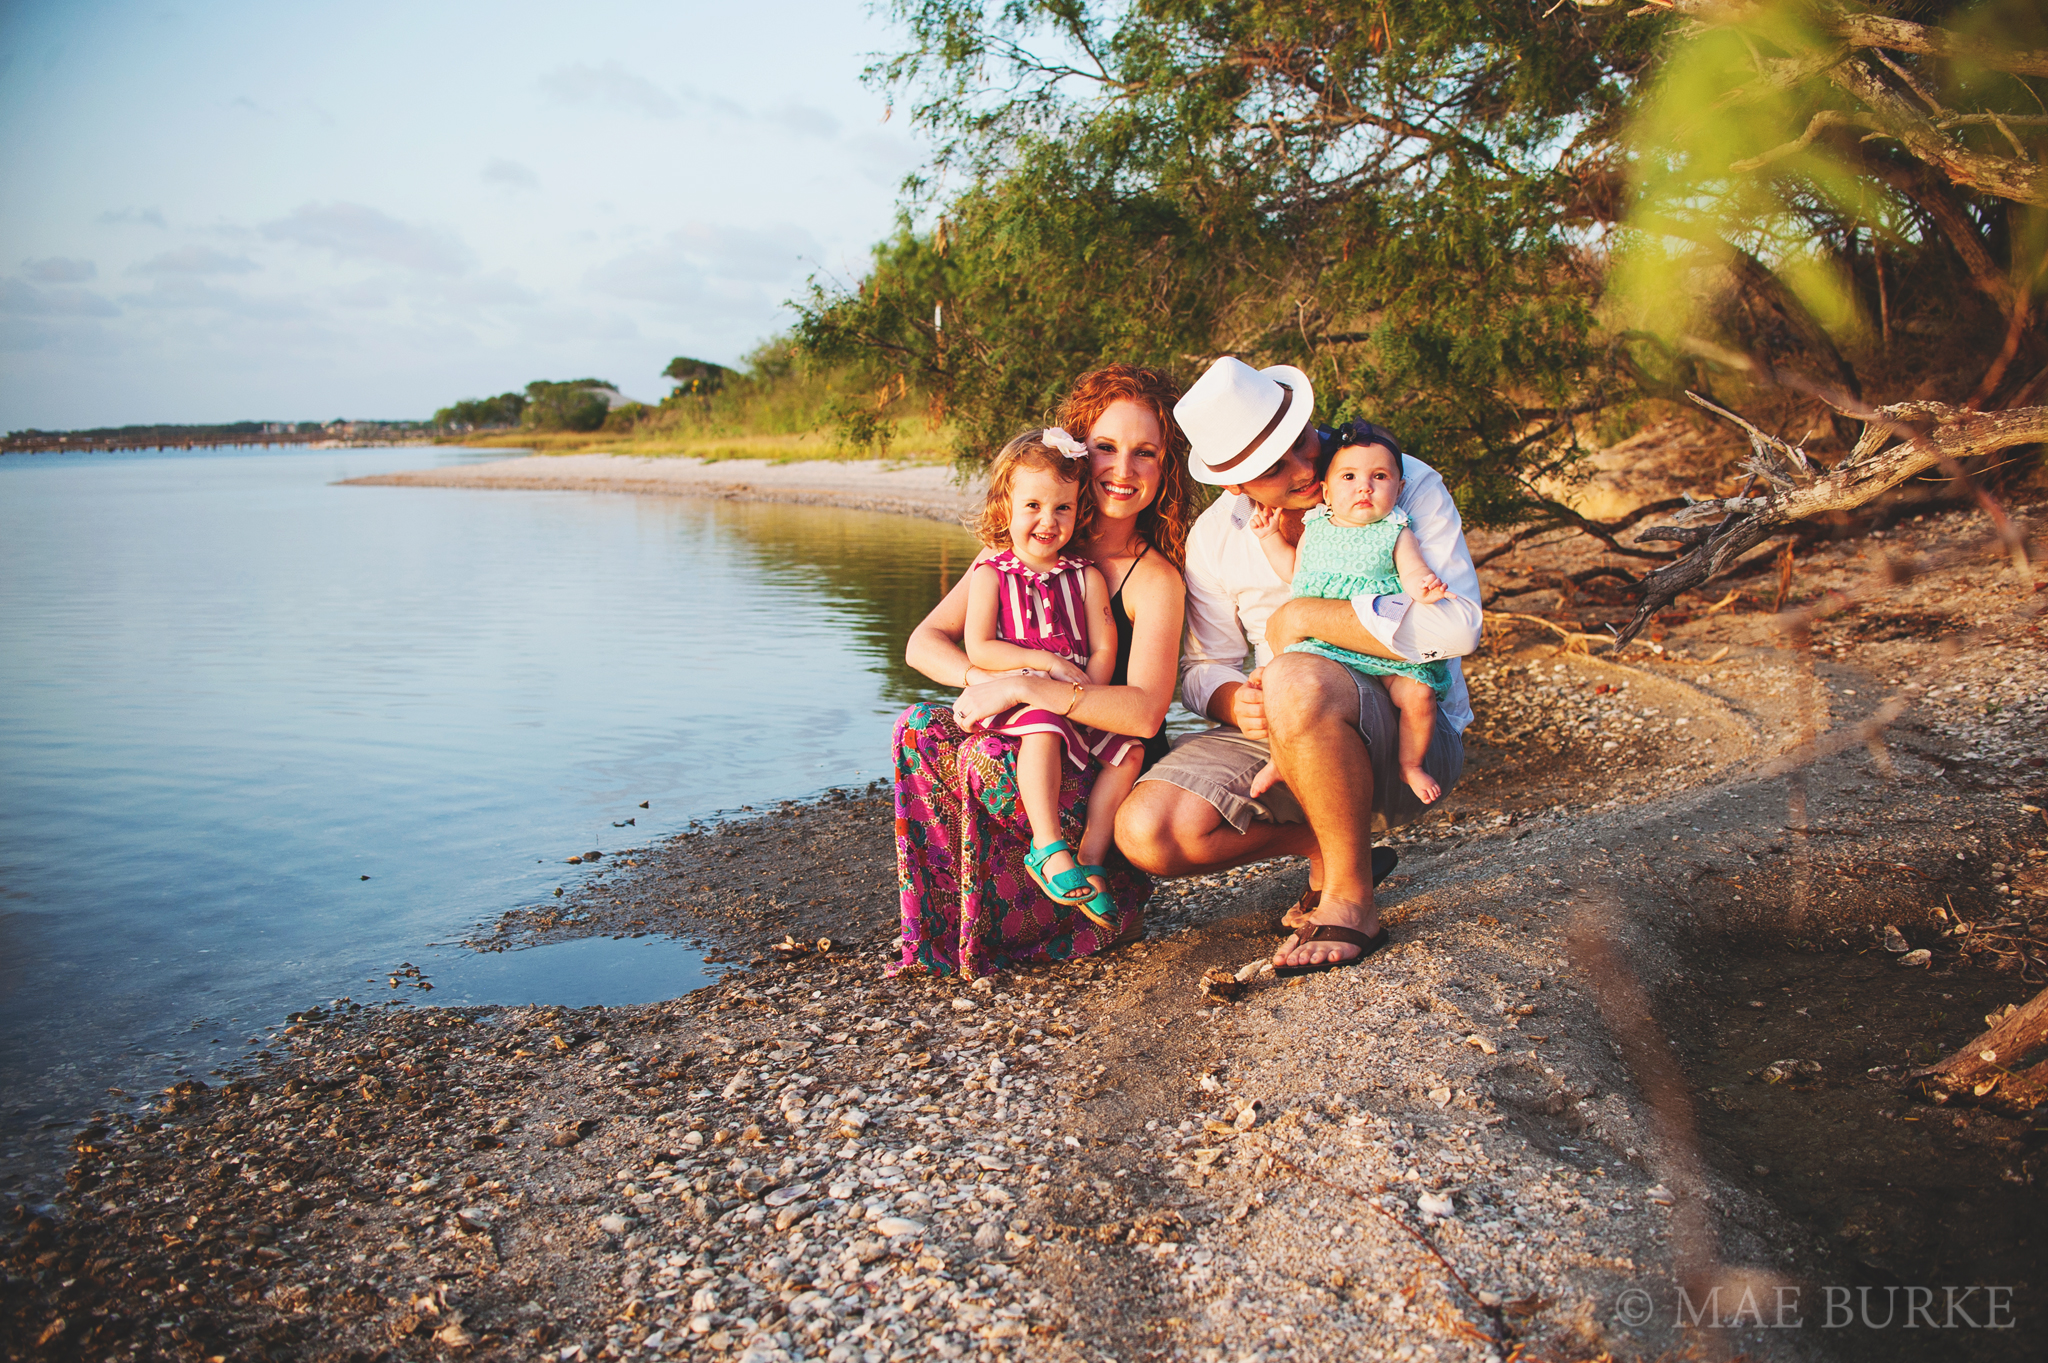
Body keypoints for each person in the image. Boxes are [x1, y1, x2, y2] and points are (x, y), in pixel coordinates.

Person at [1114, 357, 1481, 976]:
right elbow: (1204, 668)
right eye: (1275, 467)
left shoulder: (1395, 481)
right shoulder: (1215, 536)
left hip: (1407, 728)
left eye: (1302, 442)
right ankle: (1330, 845)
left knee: (1294, 675)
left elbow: (1457, 627)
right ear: (1235, 485)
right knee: (1149, 832)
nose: (1308, 469)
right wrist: (1233, 702)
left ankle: (1351, 901)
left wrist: (1305, 617)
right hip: (1275, 730)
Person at [891, 364, 1195, 978]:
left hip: (1104, 760)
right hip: (1024, 724)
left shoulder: (1153, 578)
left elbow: (1144, 712)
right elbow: (924, 644)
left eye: (1146, 454)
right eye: (1107, 447)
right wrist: (989, 683)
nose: (1122, 469)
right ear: (1081, 452)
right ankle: (959, 924)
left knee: (997, 753)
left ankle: (1076, 886)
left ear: (1166, 470)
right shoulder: (1020, 547)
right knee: (918, 729)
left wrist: (1033, 686)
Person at [960, 427, 1144, 929]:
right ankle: (1047, 846)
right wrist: (1044, 666)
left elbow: (1105, 644)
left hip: (1080, 696)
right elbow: (979, 646)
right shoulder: (991, 573)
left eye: (1062, 508)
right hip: (1021, 697)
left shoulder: (1084, 575)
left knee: (1129, 752)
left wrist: (1087, 693)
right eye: (1033, 506)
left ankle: (1090, 856)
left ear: (1079, 509)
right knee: (1042, 727)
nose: (1048, 520)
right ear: (1006, 509)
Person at [1247, 435, 1455, 807]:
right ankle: (1280, 759)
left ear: (1399, 487)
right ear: (1325, 492)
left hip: (1374, 641)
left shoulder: (1396, 531)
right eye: (1349, 478)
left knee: (1419, 695)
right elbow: (1295, 573)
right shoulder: (1316, 527)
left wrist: (1426, 586)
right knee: (1287, 689)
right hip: (1323, 646)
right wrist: (1269, 538)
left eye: (1379, 477)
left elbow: (1412, 571)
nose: (1364, 487)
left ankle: (1410, 764)